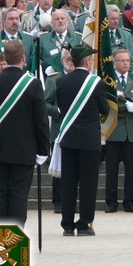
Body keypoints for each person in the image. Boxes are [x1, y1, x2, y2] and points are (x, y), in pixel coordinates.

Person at [0, 41, 50, 227]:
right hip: (24, 150)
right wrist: (43, 150)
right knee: (18, 195)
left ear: (5, 59)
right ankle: (16, 237)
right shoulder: (33, 84)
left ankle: (1, 237)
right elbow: (41, 121)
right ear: (23, 58)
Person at [56, 44, 109, 236]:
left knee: (68, 183)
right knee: (88, 183)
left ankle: (67, 225)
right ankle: (84, 224)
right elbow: (105, 110)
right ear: (87, 62)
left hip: (69, 138)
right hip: (89, 140)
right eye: (91, 59)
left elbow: (61, 106)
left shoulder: (61, 81)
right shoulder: (96, 83)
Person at [105, 49, 133, 213]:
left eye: (128, 60)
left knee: (131, 168)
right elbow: (105, 102)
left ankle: (129, 201)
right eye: (122, 60)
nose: (126, 63)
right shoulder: (108, 79)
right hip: (113, 129)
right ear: (115, 62)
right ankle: (111, 202)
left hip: (131, 129)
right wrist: (123, 107)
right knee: (111, 168)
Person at [44, 48, 74, 214]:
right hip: (59, 128)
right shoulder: (54, 79)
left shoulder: (82, 79)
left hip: (76, 130)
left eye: (73, 59)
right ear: (62, 61)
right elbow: (45, 103)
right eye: (68, 59)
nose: (70, 62)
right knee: (59, 166)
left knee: (74, 168)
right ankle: (58, 201)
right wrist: (57, 111)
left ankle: (71, 200)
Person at [39, 10, 80, 75]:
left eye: (62, 18)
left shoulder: (78, 38)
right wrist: (46, 68)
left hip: (74, 75)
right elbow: (36, 58)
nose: (60, 21)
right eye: (57, 19)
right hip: (51, 77)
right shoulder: (42, 40)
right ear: (51, 22)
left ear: (67, 21)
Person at [106, 4, 133, 71]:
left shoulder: (126, 35)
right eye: (113, 19)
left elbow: (132, 60)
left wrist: (130, 75)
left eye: (117, 19)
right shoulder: (99, 35)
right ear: (106, 19)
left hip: (122, 73)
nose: (116, 21)